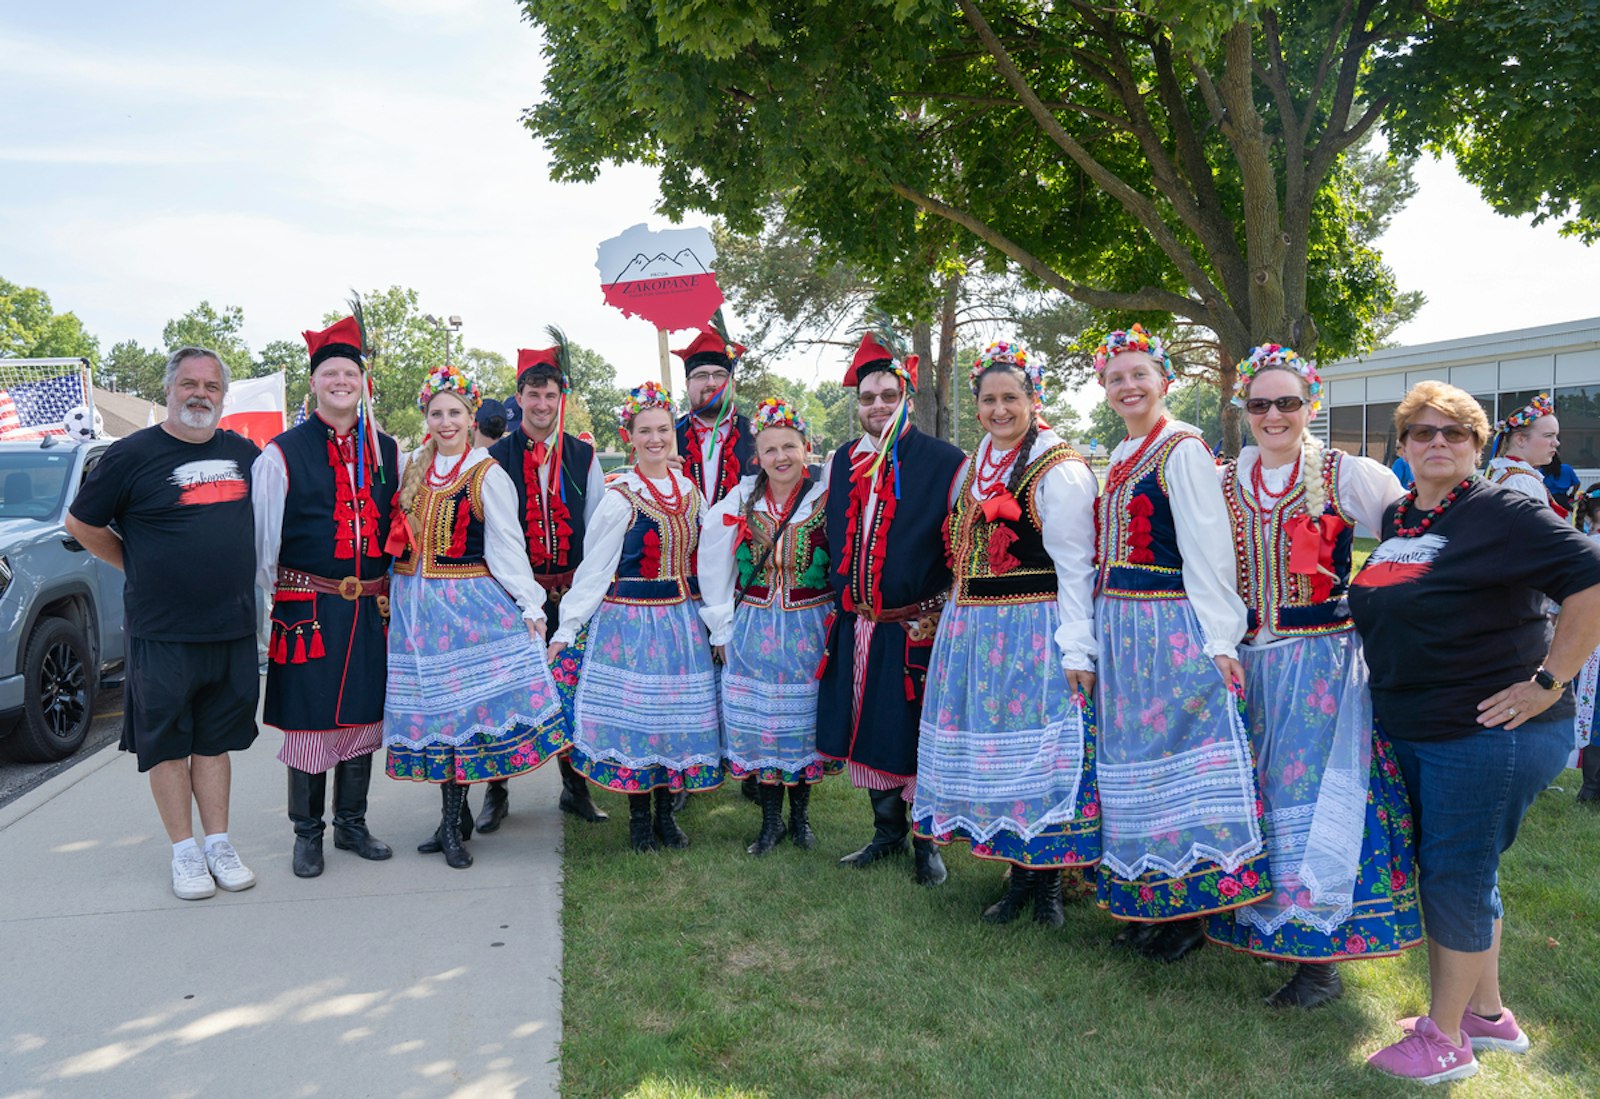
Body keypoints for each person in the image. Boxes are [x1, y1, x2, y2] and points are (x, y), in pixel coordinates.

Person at [1350, 380, 1600, 1083]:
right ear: (1401, 446)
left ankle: (1447, 1038)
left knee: (1456, 876)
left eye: (1453, 433)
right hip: (1420, 725)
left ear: (1477, 445)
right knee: (1462, 871)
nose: (1436, 442)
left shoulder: (1505, 512)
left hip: (1490, 730)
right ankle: (1489, 1016)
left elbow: (1592, 580)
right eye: (1422, 432)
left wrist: (1548, 680)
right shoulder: (1403, 515)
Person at [1202, 344, 1421, 1008]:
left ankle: (1319, 958)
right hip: (1248, 665)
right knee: (1256, 800)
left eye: (1287, 402)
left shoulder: (1351, 473)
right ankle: (1250, 924)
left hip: (1322, 667)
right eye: (1260, 403)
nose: (1274, 415)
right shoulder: (1222, 477)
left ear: (1311, 405)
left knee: (1315, 801)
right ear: (1244, 408)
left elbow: (1412, 544)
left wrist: (1368, 601)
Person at [1090, 325, 1270, 962]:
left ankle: (1188, 913)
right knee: (1132, 764)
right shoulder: (1119, 456)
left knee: (1176, 765)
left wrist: (1220, 638)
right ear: (1104, 389)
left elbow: (1209, 553)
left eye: (1139, 374)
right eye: (1116, 378)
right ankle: (1147, 900)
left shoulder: (1183, 449)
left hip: (1166, 629)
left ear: (1165, 381)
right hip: (1118, 628)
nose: (1128, 386)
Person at [910, 342, 1100, 926]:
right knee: (1001, 756)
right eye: (988, 399)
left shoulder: (1058, 467)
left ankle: (1048, 886)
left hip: (1034, 629)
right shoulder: (976, 463)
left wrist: (1076, 646)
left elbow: (1076, 567)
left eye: (1010, 398)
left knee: (1044, 753)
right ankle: (1017, 876)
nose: (998, 410)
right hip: (975, 631)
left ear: (1033, 400)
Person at [65, 347, 262, 900]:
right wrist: (136, 562)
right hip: (162, 630)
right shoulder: (131, 455)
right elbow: (81, 522)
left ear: (223, 396)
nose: (200, 394)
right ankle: (184, 852)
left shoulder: (245, 454)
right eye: (189, 384)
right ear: (170, 390)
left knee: (215, 741)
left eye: (212, 387)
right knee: (169, 743)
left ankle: (218, 843)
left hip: (230, 626)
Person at [382, 364, 569, 869]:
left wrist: (531, 606)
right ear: (427, 417)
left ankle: (450, 825)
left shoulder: (486, 473)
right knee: (435, 715)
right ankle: (454, 819)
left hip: (466, 607)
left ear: (471, 418)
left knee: (460, 715)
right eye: (437, 413)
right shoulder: (413, 469)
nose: (446, 422)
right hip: (415, 609)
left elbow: (509, 549)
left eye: (455, 413)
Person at [815, 330, 966, 887]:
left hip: (917, 626)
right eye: (867, 397)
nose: (876, 406)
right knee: (867, 726)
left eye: (886, 395)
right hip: (858, 624)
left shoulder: (945, 462)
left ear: (906, 393)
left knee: (914, 731)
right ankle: (886, 832)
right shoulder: (841, 461)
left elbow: (964, 547)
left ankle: (927, 844)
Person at [252, 315, 398, 878]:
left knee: (362, 717)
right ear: (314, 383)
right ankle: (306, 834)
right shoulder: (281, 454)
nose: (341, 381)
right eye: (330, 373)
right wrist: (283, 601)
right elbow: (264, 547)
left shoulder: (387, 450)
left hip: (367, 608)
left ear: (362, 382)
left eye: (350, 373)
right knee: (312, 723)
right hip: (307, 610)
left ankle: (352, 824)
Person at [550, 382, 721, 851]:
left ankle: (667, 815)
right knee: (638, 720)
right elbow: (595, 569)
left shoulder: (689, 491)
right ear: (630, 437)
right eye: (645, 431)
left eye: (663, 429)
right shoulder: (620, 495)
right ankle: (640, 821)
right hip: (629, 622)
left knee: (671, 718)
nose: (655, 439)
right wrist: (567, 628)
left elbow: (705, 561)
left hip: (680, 620)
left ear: (674, 434)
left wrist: (715, 618)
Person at [479, 335, 611, 833]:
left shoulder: (583, 457)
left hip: (572, 596)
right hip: (514, 599)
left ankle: (574, 790)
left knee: (572, 690)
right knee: (507, 694)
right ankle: (497, 791)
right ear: (518, 398)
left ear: (562, 399)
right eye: (532, 395)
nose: (541, 404)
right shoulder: (493, 459)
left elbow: (597, 528)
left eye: (550, 395)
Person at [701, 396, 835, 855]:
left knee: (802, 725)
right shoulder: (740, 499)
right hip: (754, 628)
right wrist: (721, 626)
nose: (781, 458)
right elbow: (714, 563)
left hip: (808, 628)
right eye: (771, 449)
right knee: (764, 728)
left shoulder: (825, 497)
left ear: (806, 448)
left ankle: (800, 819)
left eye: (789, 447)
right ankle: (770, 822)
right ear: (757, 455)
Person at [674, 328, 754, 507]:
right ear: (687, 384)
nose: (711, 383)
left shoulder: (758, 436)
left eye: (720, 375)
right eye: (701, 376)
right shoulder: (666, 437)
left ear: (732, 385)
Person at [1485, 392, 1559, 505]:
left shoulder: (1502, 473)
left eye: (1556, 436)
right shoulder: (1522, 482)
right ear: (1520, 440)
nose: (1556, 443)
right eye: (1548, 435)